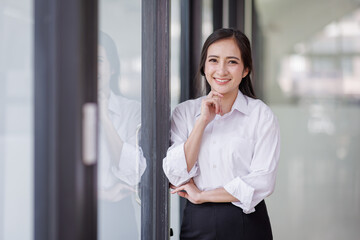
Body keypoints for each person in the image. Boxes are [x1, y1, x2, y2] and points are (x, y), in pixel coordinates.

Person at [163, 28, 280, 240]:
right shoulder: (185, 113)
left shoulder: (260, 115)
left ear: (245, 70)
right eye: (214, 60)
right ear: (204, 66)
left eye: (232, 62)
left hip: (247, 222)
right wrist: (202, 122)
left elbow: (263, 180)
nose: (222, 70)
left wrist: (202, 195)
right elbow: (176, 174)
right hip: (197, 223)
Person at [98, 31, 146, 240]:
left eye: (98, 60)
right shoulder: (63, 111)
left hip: (117, 215)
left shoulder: (132, 111)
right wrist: (100, 194)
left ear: (113, 67)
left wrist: (104, 117)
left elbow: (132, 172)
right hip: (74, 207)